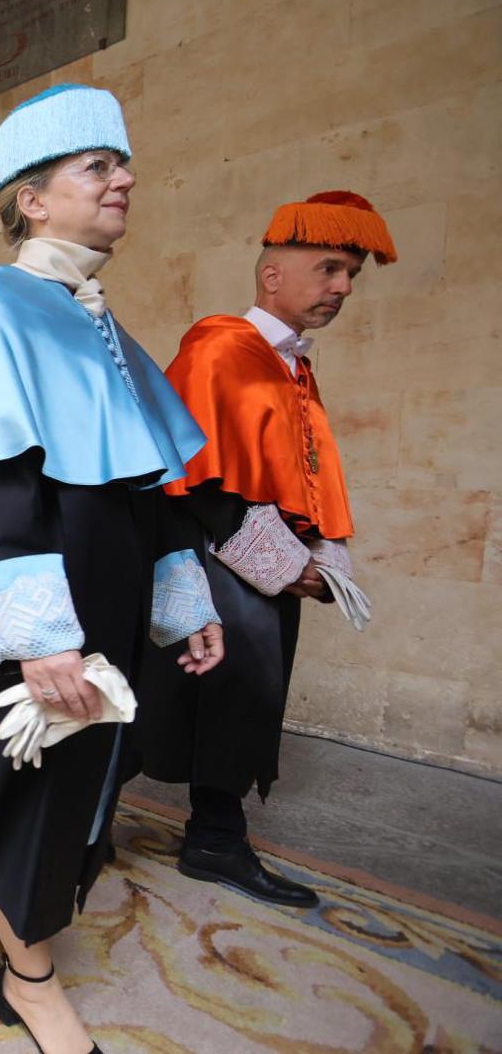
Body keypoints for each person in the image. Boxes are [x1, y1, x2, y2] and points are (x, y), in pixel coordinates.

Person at [0, 85, 224, 1054]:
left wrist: (181, 598)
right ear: (31, 199)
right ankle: (29, 978)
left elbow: (149, 484)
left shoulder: (100, 321)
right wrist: (40, 639)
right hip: (35, 594)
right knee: (22, 782)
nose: (124, 180)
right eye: (96, 166)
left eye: (122, 164)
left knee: (55, 779)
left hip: (106, 590)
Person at [132, 191, 395, 909]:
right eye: (329, 268)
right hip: (216, 561)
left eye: (351, 275)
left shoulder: (292, 368)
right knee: (194, 695)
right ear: (272, 275)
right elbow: (199, 477)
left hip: (264, 565)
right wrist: (287, 565)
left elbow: (300, 475)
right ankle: (70, 823)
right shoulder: (221, 348)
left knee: (238, 697)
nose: (343, 288)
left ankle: (214, 837)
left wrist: (321, 557)